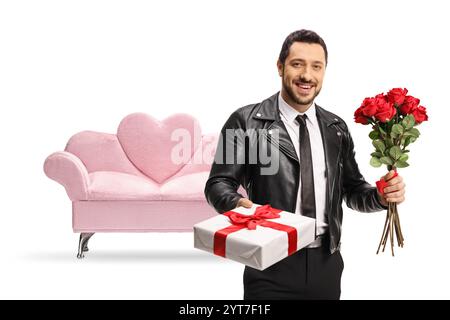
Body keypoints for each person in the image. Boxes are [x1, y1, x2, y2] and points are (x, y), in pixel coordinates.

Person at [204, 29, 406, 300]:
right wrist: (239, 205)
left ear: (324, 72)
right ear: (280, 66)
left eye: (316, 66)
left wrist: (380, 197)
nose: (307, 75)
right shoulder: (244, 121)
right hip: (270, 263)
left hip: (327, 264)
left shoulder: (336, 128)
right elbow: (218, 184)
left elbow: (353, 190)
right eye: (297, 64)